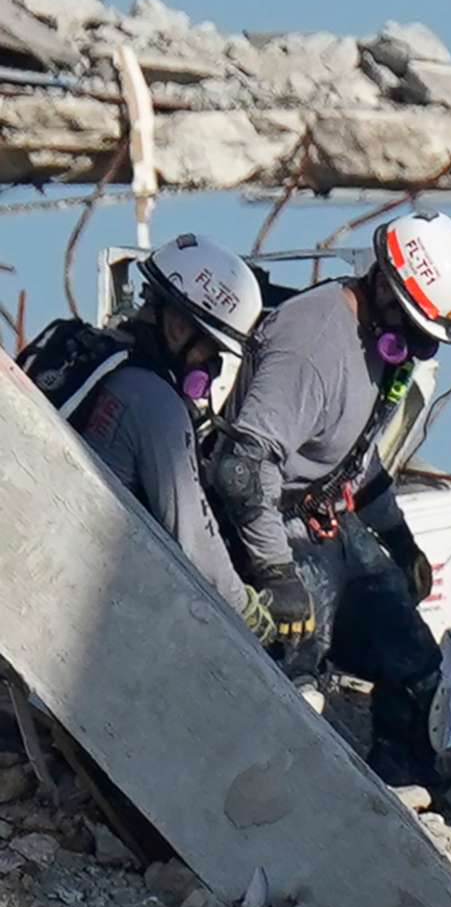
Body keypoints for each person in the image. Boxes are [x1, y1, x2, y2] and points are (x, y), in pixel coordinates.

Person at [206, 213, 451, 786]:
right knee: (295, 674)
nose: (422, 349)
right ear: (383, 286)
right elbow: (243, 467)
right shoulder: (315, 345)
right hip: (274, 528)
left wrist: (400, 539)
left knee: (418, 669)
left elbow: (356, 460)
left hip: (331, 522)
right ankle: (269, 807)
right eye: (419, 330)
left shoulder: (380, 350)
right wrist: (275, 571)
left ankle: (402, 799)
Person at [22, 236, 271, 633]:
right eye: (211, 352)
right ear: (177, 326)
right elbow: (194, 541)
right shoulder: (156, 400)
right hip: (60, 602)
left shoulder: (78, 350)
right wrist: (248, 612)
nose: (211, 370)